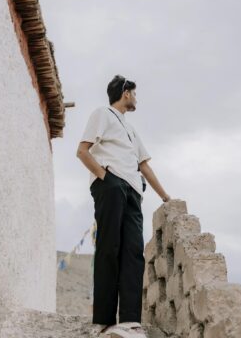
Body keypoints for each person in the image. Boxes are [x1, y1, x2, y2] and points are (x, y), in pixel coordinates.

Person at [76, 75, 171, 337]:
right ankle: (104, 321)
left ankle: (130, 321)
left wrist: (165, 197)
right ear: (126, 93)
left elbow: (144, 166)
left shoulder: (131, 130)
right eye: (135, 94)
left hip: (133, 192)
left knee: (133, 251)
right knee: (109, 247)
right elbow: (82, 150)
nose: (137, 99)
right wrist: (105, 177)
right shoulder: (102, 114)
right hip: (111, 184)